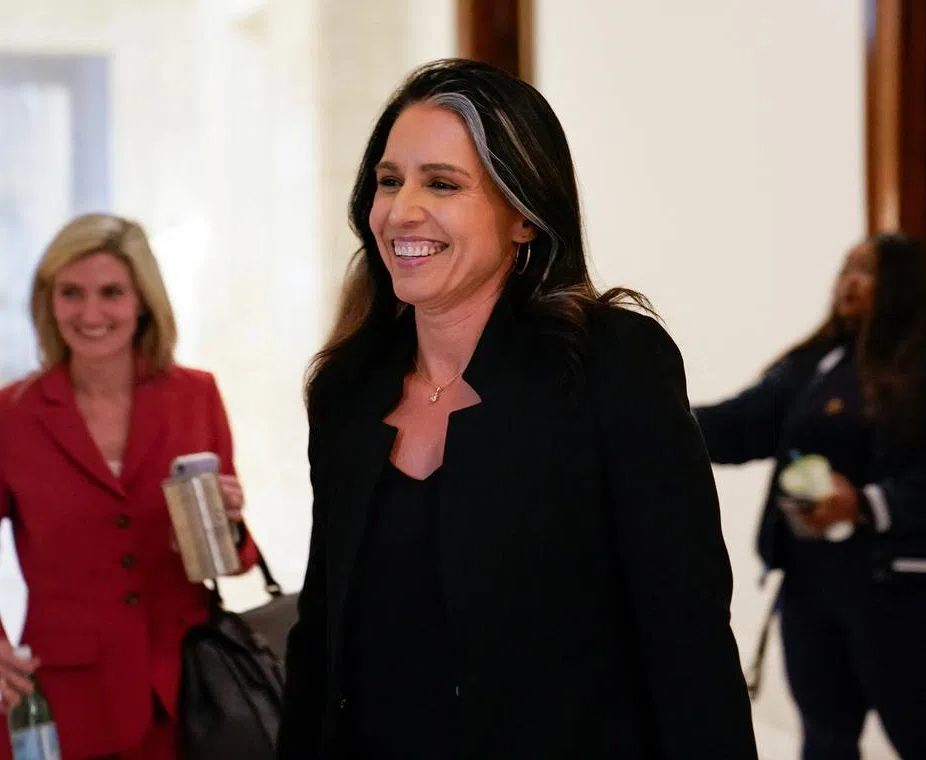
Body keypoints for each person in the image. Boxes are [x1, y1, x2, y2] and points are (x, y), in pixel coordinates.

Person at [277, 58, 757, 760]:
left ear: (523, 216)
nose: (401, 209)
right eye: (388, 181)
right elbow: (320, 637)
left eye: (441, 183)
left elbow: (685, 632)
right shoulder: (348, 388)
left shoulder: (611, 362)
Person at [0, 213, 260, 760]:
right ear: (49, 301)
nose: (91, 314)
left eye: (111, 292)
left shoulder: (196, 396)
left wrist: (225, 524)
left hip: (187, 695)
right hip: (64, 700)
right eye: (71, 293)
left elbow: (225, 561)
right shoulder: (6, 418)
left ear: (142, 300)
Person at [693, 233, 926, 760]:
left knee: (925, 737)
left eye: (866, 271)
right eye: (846, 268)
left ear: (904, 286)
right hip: (814, 583)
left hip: (905, 589)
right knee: (826, 735)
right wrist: (658, 423)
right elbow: (740, 425)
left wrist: (864, 503)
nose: (848, 282)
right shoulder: (816, 365)